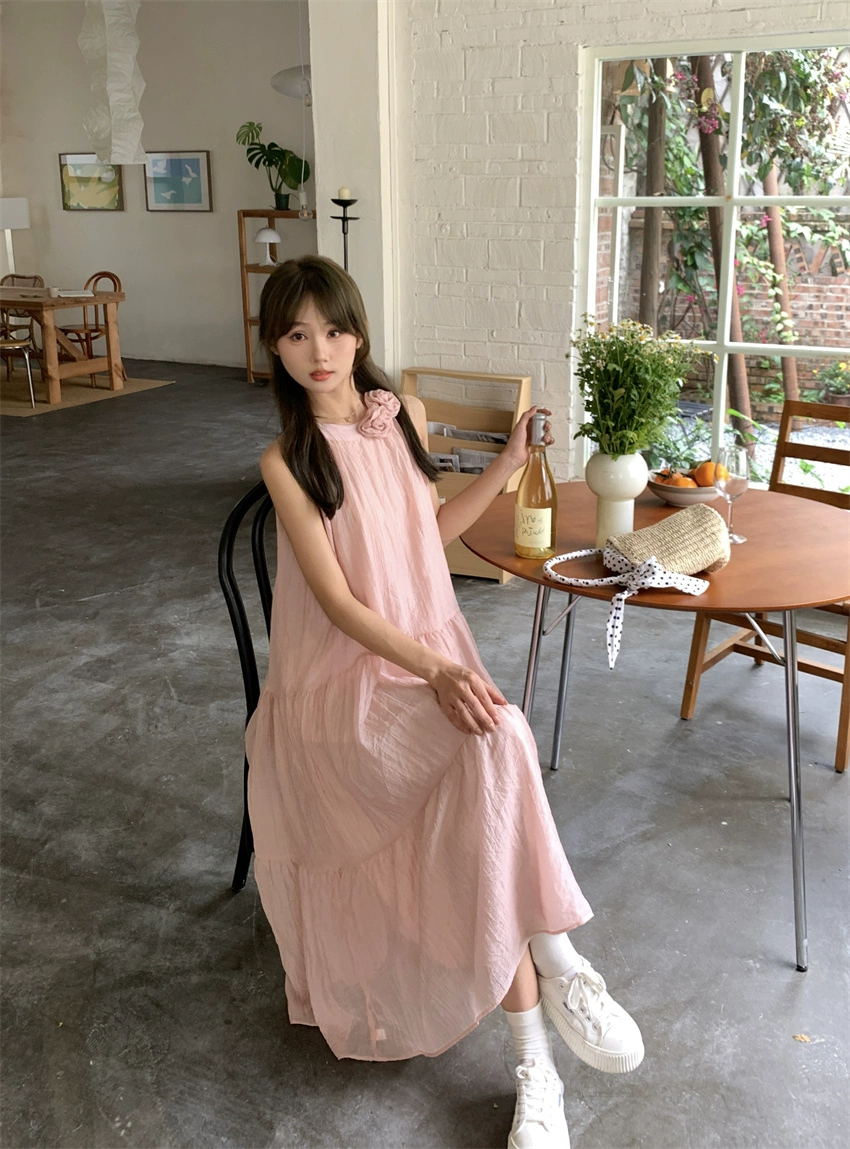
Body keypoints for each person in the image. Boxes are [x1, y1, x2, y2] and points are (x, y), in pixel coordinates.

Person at [245, 255, 643, 1149]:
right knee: (496, 742)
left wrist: (509, 461)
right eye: (297, 334)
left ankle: (539, 1040)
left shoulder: (402, 416)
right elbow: (339, 604)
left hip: (422, 662)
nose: (319, 351)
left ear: (360, 334)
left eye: (334, 330)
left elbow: (428, 536)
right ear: (275, 345)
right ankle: (553, 974)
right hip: (343, 690)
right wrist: (434, 670)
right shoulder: (286, 461)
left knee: (494, 748)